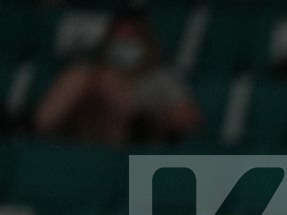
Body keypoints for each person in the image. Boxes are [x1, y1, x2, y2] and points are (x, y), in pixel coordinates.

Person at [33, 8, 199, 145]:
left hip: (130, 140)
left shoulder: (160, 78)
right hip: (85, 138)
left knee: (104, 80)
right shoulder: (89, 74)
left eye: (130, 37)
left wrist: (153, 121)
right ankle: (28, 132)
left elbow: (187, 118)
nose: (123, 42)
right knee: (79, 74)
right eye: (118, 37)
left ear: (146, 41)